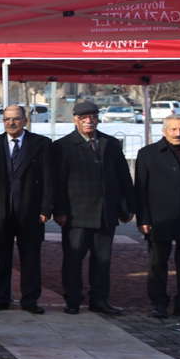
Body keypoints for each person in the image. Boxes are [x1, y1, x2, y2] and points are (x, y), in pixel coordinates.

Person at [52, 101, 135, 314]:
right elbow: (57, 182)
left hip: (105, 214)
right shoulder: (62, 146)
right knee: (73, 259)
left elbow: (123, 177)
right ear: (75, 120)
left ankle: (99, 300)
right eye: (83, 117)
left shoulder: (111, 144)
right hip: (75, 214)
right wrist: (59, 210)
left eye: (93, 117)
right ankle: (73, 300)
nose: (89, 121)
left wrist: (128, 206)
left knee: (102, 260)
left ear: (98, 118)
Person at [0, 105, 53, 313]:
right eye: (6, 119)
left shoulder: (41, 144)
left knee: (31, 258)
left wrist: (46, 207)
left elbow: (49, 179)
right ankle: (0, 298)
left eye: (15, 119)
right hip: (0, 212)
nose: (11, 123)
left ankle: (30, 300)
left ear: (25, 120)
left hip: (31, 211)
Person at [135, 114, 180, 319]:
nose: (178, 133)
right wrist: (143, 218)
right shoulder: (148, 154)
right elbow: (140, 189)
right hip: (158, 218)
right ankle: (158, 304)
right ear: (164, 131)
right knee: (157, 263)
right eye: (173, 129)